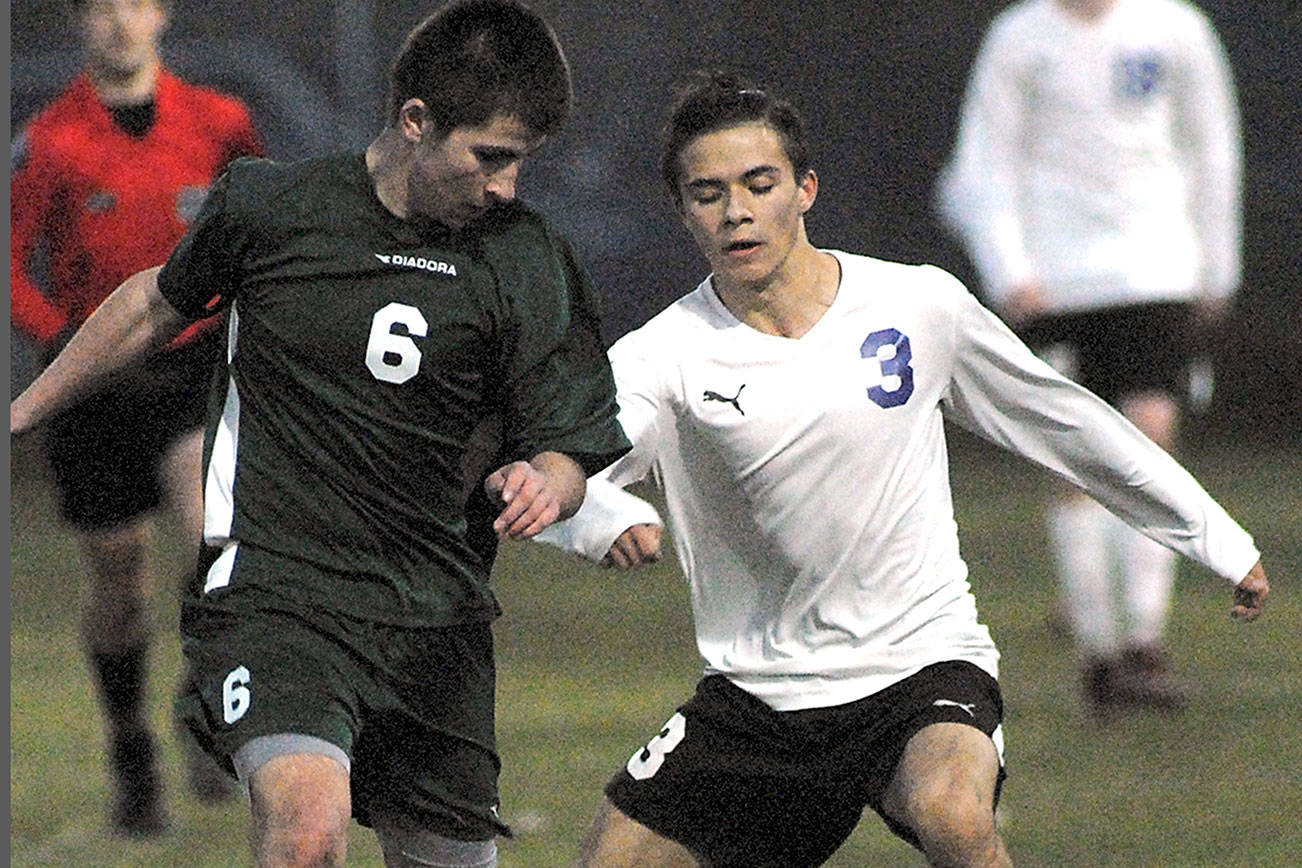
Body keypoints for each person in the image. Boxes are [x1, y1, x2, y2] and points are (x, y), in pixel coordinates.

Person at [535, 71, 1268, 868]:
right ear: (683, 211)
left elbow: (1066, 422)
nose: (736, 211)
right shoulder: (662, 355)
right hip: (761, 696)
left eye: (759, 184)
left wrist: (1214, 538)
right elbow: (564, 472)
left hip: (922, 665)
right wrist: (608, 517)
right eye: (708, 194)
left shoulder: (917, 306)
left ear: (805, 189)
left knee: (953, 815)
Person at [10, 1, 631, 865]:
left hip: (432, 616)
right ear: (415, 122)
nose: (505, 186)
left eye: (520, 161)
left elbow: (565, 430)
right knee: (306, 831)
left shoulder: (525, 255)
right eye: (490, 157)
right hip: (280, 596)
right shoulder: (276, 207)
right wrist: (23, 409)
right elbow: (154, 301)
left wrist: (549, 480)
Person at [935, 0, 1244, 715]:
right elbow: (985, 158)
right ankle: (1098, 655)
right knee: (1074, 461)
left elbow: (1212, 146)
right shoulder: (1020, 37)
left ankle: (1144, 642)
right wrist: (1008, 265)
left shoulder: (1175, 27)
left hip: (1155, 269)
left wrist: (1217, 264)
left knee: (1152, 438)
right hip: (1058, 280)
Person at [9, 0, 264, 836]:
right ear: (79, 25)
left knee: (212, 537)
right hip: (97, 387)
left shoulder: (220, 122)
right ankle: (130, 750)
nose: (120, 22)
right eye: (101, 8)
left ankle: (202, 707)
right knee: (119, 584)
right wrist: (60, 341)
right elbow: (11, 262)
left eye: (134, 4)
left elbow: (263, 226)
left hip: (190, 366)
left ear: (162, 16)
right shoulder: (51, 139)